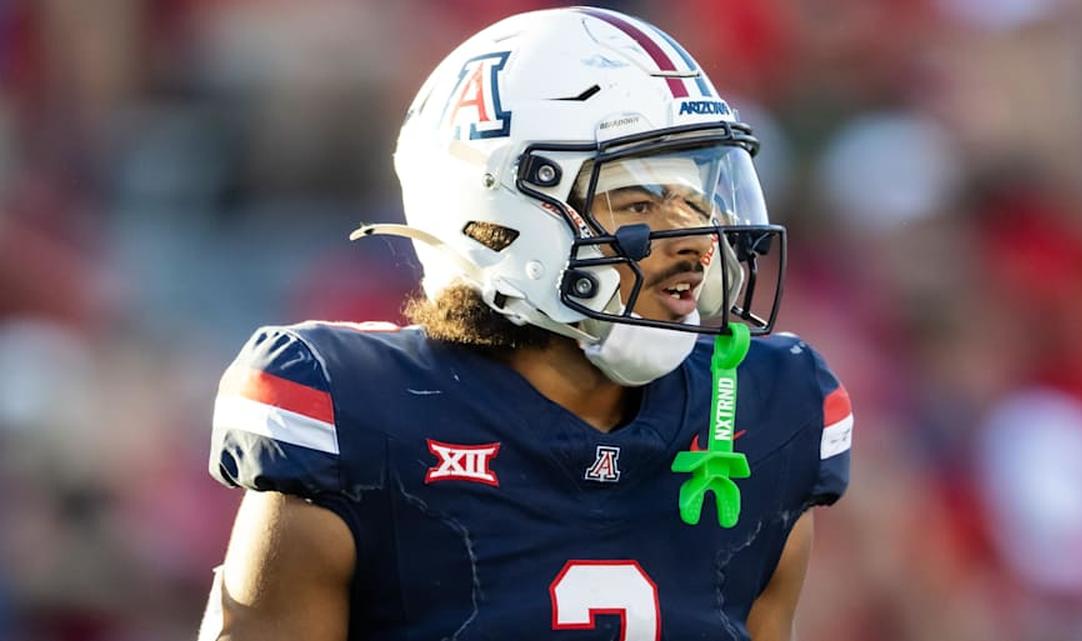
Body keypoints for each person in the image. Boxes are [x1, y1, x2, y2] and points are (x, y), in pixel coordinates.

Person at [200, 7, 852, 641]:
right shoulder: (359, 418)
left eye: (695, 202)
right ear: (498, 215)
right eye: (638, 203)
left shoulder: (765, 417)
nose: (692, 243)